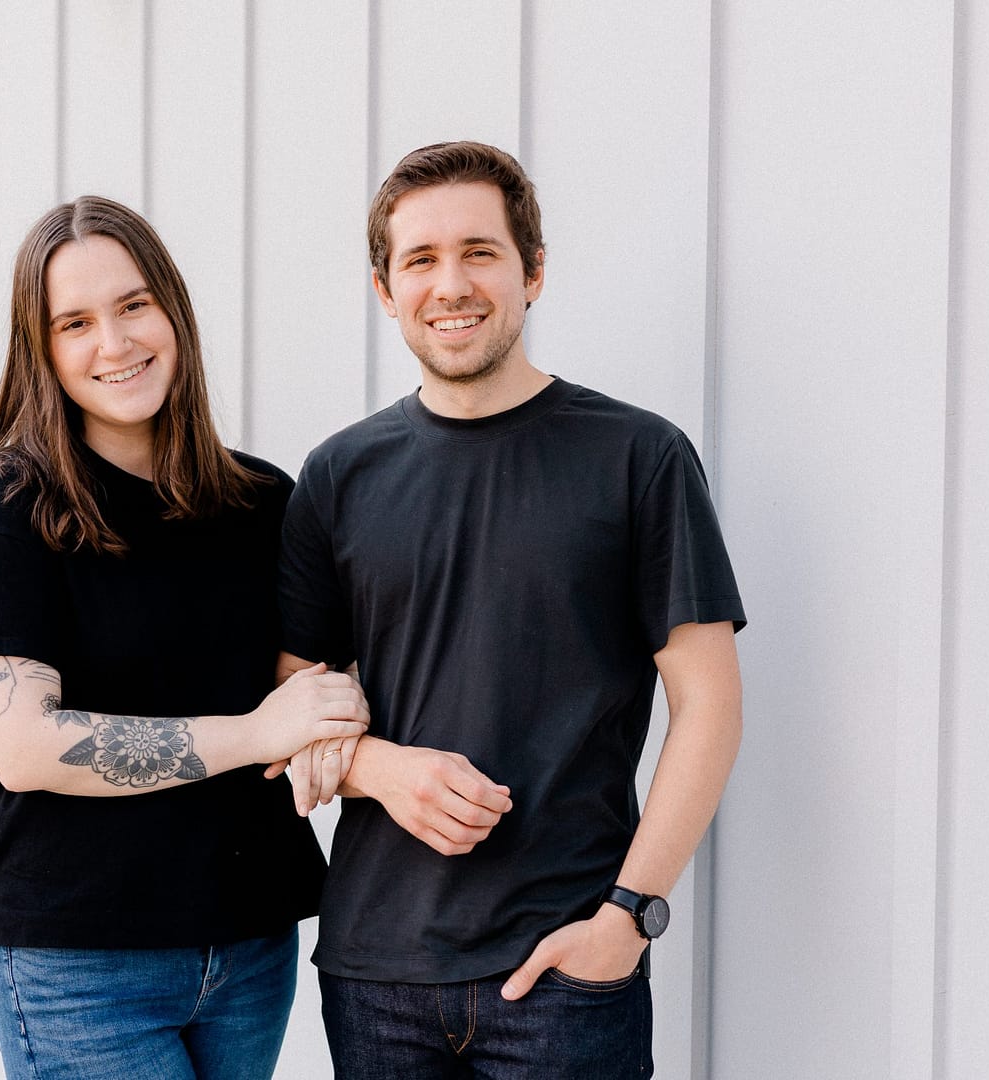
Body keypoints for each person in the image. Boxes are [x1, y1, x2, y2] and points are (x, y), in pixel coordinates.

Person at [276, 141, 747, 1078]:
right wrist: (384, 770)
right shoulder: (337, 476)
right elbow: (292, 710)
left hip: (567, 973)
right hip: (377, 976)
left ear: (532, 272)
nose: (451, 284)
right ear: (385, 289)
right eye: (420, 260)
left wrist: (630, 917)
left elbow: (711, 705)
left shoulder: (638, 458)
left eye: (479, 252)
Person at [0, 195, 369, 1080]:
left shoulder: (261, 503)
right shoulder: (9, 507)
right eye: (74, 323)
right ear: (40, 352)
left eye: (131, 307)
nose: (113, 345)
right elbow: (26, 747)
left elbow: (313, 684)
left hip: (247, 944)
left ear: (173, 311)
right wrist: (260, 733)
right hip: (82, 961)